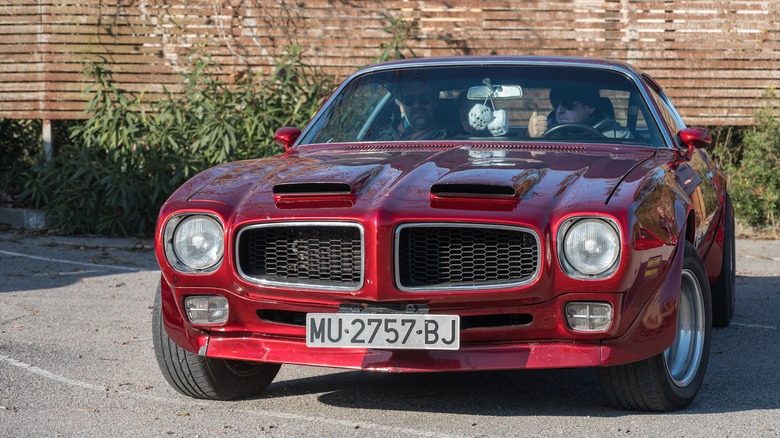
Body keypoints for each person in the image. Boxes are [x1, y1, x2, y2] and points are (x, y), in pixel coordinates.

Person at [527, 85, 633, 138]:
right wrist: (529, 135)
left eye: (568, 104)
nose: (559, 111)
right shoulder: (543, 131)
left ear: (590, 108)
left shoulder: (618, 136)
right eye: (555, 104)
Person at [376, 81, 449, 141]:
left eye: (424, 99)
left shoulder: (452, 136)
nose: (417, 105)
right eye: (409, 100)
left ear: (435, 101)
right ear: (401, 105)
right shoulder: (382, 139)